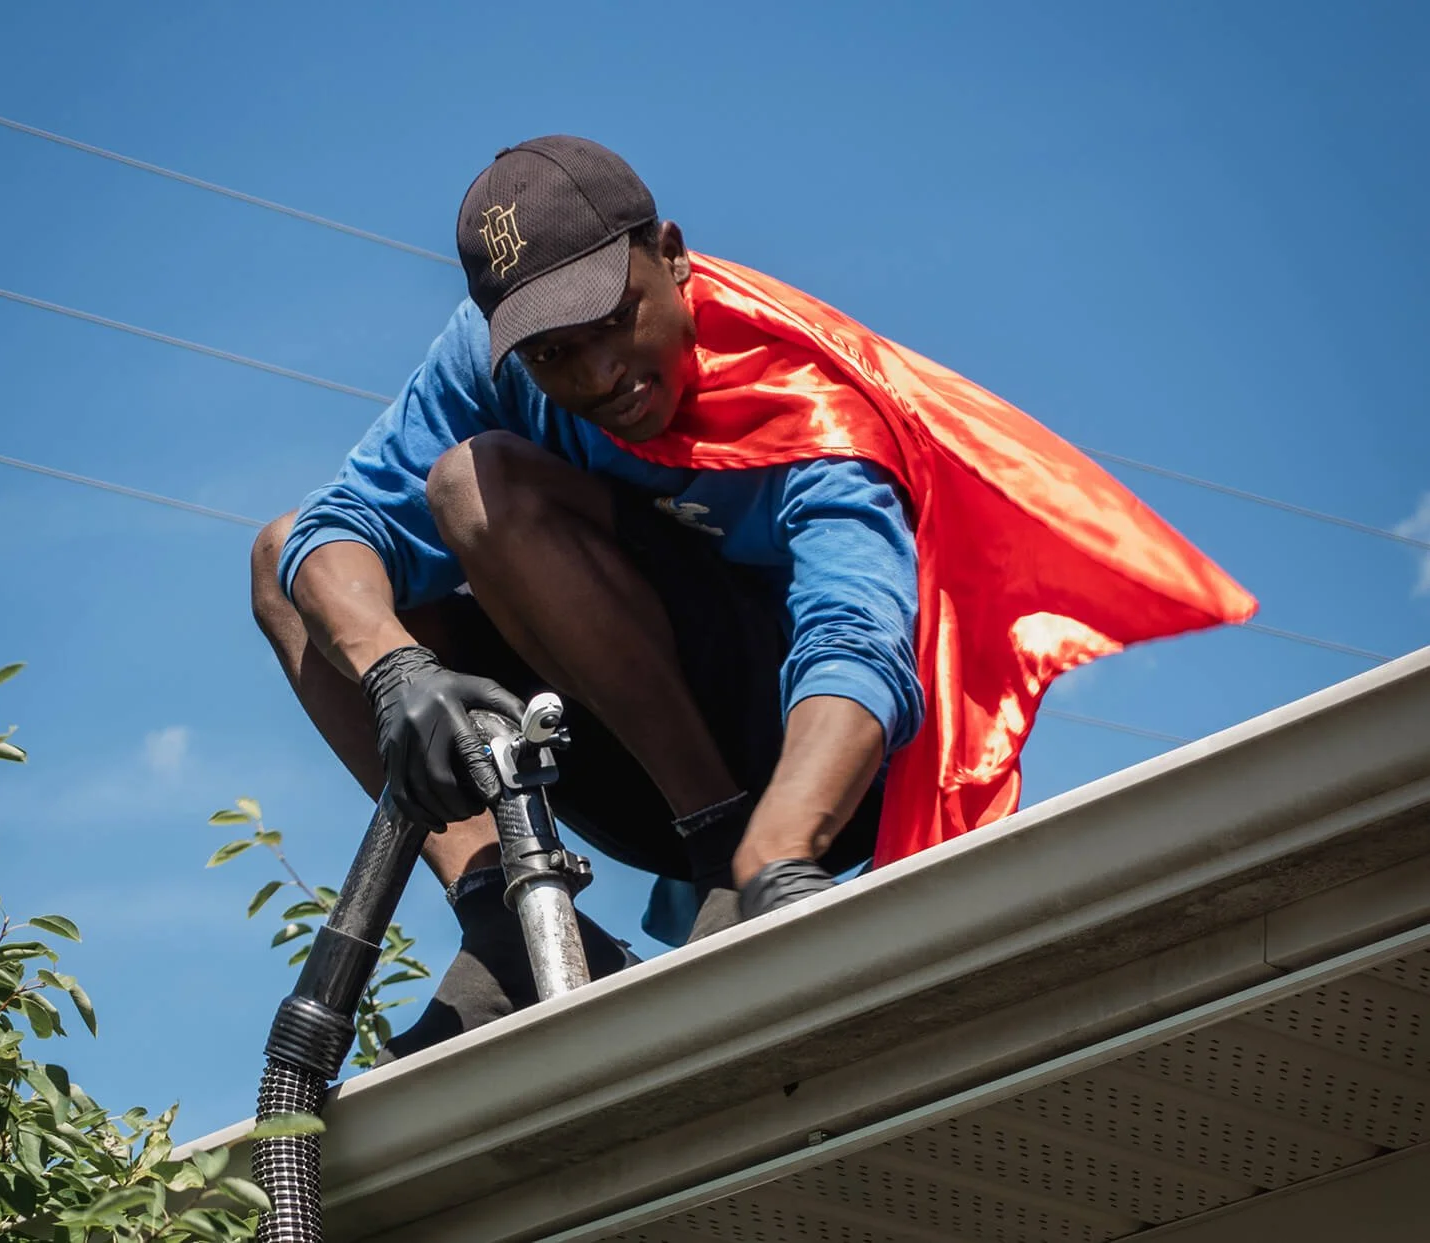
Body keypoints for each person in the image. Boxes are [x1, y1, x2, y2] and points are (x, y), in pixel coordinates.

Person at [249, 136, 1254, 1059]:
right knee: (291, 563)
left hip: (810, 779)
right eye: (557, 353)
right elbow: (342, 527)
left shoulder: (807, 400)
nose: (601, 374)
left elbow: (855, 645)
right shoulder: (494, 365)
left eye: (615, 323)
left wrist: (776, 851)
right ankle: (507, 919)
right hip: (612, 751)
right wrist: (395, 666)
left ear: (672, 256)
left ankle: (726, 856)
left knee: (482, 486)